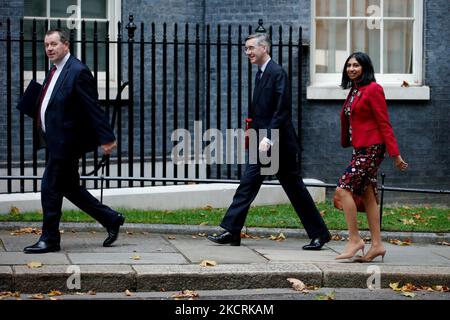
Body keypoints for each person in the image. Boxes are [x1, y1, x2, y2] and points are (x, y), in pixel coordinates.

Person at [207, 33, 331, 250]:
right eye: (246, 49)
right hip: (264, 143)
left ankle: (319, 234)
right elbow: (262, 111)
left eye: (251, 48)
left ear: (264, 48)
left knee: (294, 189)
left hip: (276, 144)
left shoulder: (277, 72)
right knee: (248, 184)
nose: (248, 52)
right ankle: (232, 231)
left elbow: (282, 110)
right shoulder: (262, 74)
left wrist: (268, 137)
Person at [23, 28, 125, 253]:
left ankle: (50, 239)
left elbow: (93, 107)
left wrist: (106, 137)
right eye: (46, 44)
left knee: (49, 187)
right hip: (56, 140)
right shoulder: (55, 70)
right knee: (70, 187)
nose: (49, 48)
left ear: (66, 45)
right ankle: (111, 218)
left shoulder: (78, 71)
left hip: (67, 143)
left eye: (54, 44)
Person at [334, 52, 408, 262]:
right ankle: (377, 245)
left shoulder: (373, 89)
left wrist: (395, 154)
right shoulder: (355, 90)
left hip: (373, 148)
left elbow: (384, 122)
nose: (351, 69)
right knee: (367, 195)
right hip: (360, 148)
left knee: (343, 189)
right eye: (349, 65)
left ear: (365, 67)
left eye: (356, 65)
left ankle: (355, 240)